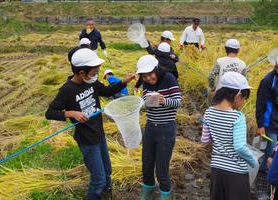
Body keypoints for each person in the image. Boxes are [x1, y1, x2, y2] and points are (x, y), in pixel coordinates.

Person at [45, 48, 135, 200]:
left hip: (99, 135)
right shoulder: (67, 90)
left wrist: (123, 82)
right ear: (81, 73)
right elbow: (50, 112)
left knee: (107, 170)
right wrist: (71, 113)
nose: (96, 76)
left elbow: (106, 91)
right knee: (98, 179)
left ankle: (107, 195)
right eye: (94, 72)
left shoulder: (91, 82)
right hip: (87, 140)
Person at [201, 72, 258, 200]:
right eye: (243, 97)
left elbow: (204, 140)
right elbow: (239, 147)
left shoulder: (209, 112)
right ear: (237, 95)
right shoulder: (237, 117)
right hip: (236, 173)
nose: (243, 101)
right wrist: (253, 161)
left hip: (216, 170)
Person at [137, 55, 182, 200]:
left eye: (150, 74)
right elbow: (145, 101)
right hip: (150, 128)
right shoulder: (146, 83)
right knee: (147, 167)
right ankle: (148, 193)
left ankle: (165, 195)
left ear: (156, 69)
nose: (148, 78)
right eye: (144, 76)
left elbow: (178, 102)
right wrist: (143, 103)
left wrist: (164, 100)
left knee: (162, 171)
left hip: (166, 128)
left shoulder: (168, 78)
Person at [256, 56, 278, 173]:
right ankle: (263, 174)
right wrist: (260, 125)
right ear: (275, 67)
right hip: (269, 122)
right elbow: (260, 103)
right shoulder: (268, 80)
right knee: (270, 151)